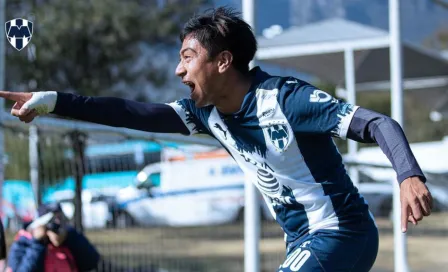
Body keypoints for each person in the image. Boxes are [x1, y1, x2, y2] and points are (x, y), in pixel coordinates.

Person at [0, 6, 432, 272]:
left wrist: (409, 175)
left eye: (188, 58)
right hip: (305, 241)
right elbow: (127, 111)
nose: (178, 71)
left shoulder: (288, 99)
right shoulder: (203, 113)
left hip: (341, 233)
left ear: (223, 61)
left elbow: (379, 124)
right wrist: (55, 101)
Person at [6, 203, 100, 272]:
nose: (57, 225)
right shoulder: (23, 243)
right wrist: (37, 243)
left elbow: (92, 262)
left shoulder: (69, 237)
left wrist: (70, 238)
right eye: (52, 222)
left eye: (60, 219)